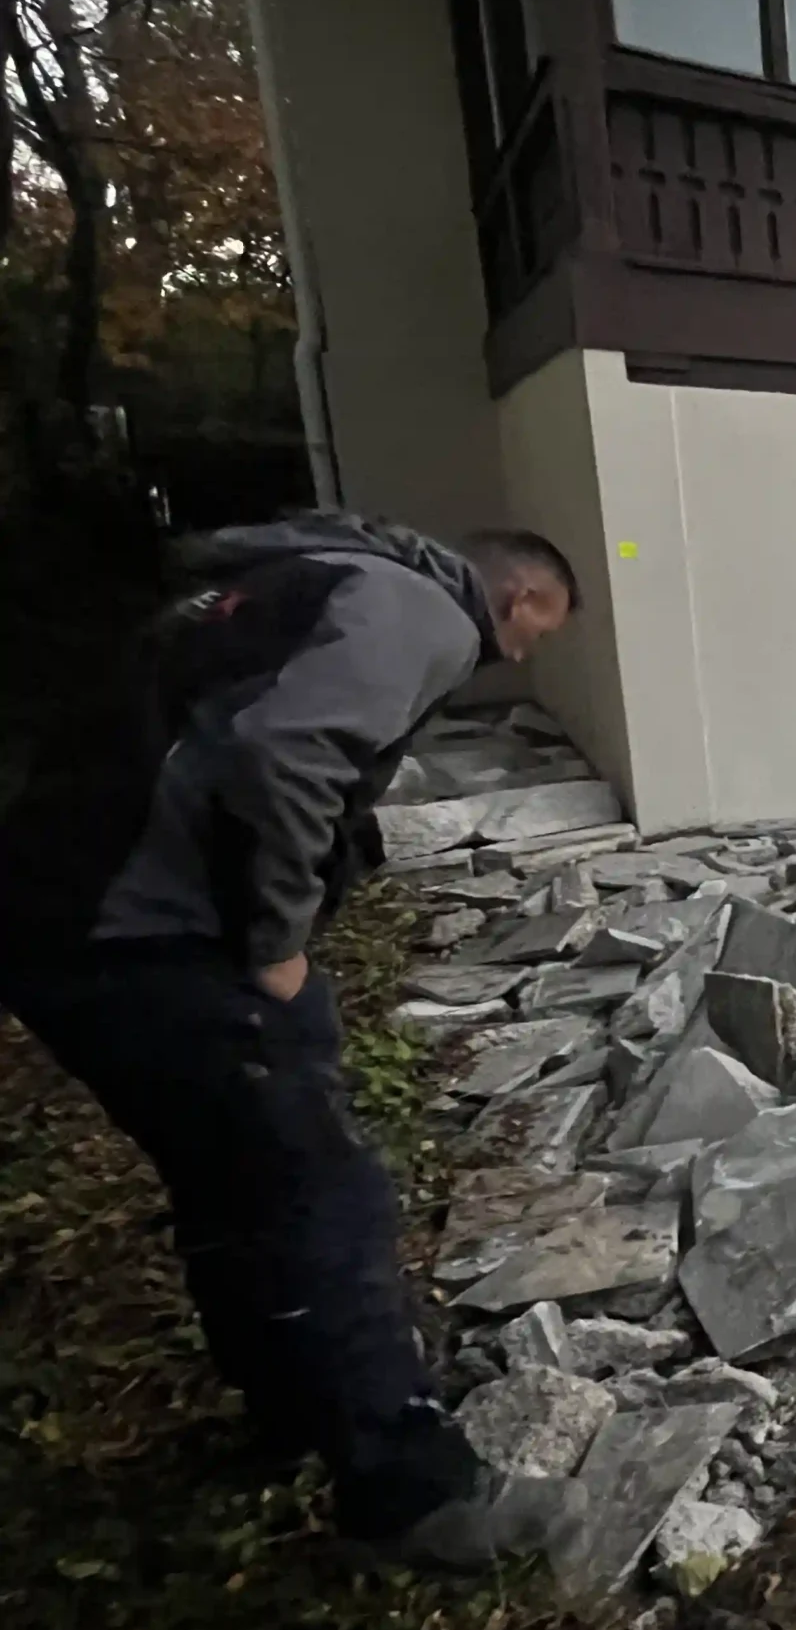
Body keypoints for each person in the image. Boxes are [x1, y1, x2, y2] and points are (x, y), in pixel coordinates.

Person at [0, 513, 584, 1563]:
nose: (534, 648)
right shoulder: (415, 610)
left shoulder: (291, 579)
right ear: (523, 598)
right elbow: (284, 752)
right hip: (156, 933)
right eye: (546, 629)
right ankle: (412, 1494)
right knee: (323, 1192)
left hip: (59, 918)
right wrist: (276, 942)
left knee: (231, 1187)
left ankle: (290, 1411)